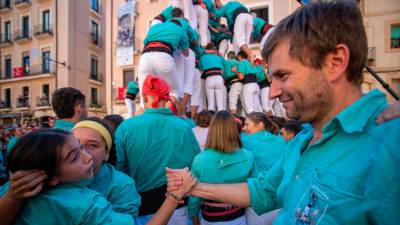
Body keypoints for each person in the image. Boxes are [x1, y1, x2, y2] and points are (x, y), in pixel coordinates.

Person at [167, 1, 400, 224]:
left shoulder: (389, 144)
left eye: (283, 75)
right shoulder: (302, 138)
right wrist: (193, 187)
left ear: (335, 63)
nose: (271, 93)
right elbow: (264, 191)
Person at [1, 129, 196, 225]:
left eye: (91, 146)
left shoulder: (15, 189)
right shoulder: (84, 204)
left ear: (106, 152)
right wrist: (174, 197)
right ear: (50, 177)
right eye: (74, 156)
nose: (87, 157)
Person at [115, 75, 200, 225]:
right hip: (179, 207)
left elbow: (119, 171)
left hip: (143, 210)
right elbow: (196, 166)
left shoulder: (126, 127)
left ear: (144, 97)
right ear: (166, 98)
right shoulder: (185, 126)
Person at [188, 110, 254, 225]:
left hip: (210, 219)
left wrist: (194, 218)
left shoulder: (200, 160)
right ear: (234, 129)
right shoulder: (248, 156)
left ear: (212, 130)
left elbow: (194, 195)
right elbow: (254, 189)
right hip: (238, 217)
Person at [72, 118, 141, 217]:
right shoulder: (55, 177)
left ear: (106, 153)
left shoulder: (123, 186)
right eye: (75, 144)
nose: (83, 152)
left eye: (92, 145)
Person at [241, 112, 286, 225]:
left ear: (260, 125)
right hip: (281, 200)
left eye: (247, 124)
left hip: (257, 201)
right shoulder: (282, 140)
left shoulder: (244, 141)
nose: (243, 128)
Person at [137, 14, 190, 110]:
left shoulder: (154, 27)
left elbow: (145, 43)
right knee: (173, 92)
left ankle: (142, 121)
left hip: (144, 58)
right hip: (163, 56)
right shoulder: (180, 30)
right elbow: (186, 53)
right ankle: (164, 117)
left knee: (143, 98)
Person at [198, 43, 226, 111]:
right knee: (220, 105)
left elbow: (201, 72)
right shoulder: (219, 57)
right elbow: (223, 71)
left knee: (211, 105)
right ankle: (221, 120)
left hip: (209, 78)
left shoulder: (202, 57)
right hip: (219, 78)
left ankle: (211, 120)